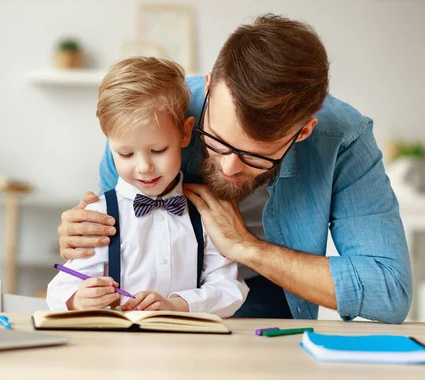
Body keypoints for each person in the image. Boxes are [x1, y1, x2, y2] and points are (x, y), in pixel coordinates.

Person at [56, 14, 412, 323]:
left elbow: (389, 288)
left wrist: (246, 247)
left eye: (256, 156)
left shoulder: (344, 138)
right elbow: (111, 236)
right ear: (210, 87)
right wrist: (81, 235)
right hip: (163, 304)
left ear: (303, 132)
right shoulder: (148, 121)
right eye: (217, 140)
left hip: (276, 296)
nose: (228, 166)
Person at [46, 57, 249, 317]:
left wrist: (178, 305)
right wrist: (77, 299)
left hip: (189, 348)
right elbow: (62, 285)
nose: (144, 167)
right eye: (126, 154)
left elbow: (229, 288)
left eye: (158, 150)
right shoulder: (100, 214)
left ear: (185, 133)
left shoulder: (205, 212)